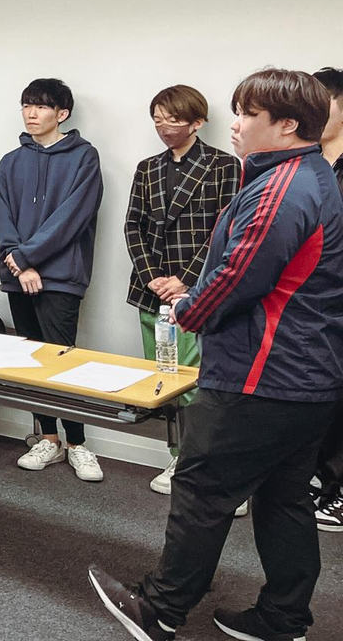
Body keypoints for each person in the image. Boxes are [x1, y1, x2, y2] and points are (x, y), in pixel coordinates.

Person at [89, 69, 343, 641]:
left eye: (249, 114)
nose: (236, 123)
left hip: (262, 377)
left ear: (287, 125)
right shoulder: (312, 175)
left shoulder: (283, 189)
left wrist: (187, 309)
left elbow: (237, 277)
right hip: (306, 378)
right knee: (284, 500)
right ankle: (283, 619)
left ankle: (159, 610)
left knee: (202, 490)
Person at [124, 85, 241, 494]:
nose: (163, 127)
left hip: (198, 290)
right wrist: (152, 276)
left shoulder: (224, 165)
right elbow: (132, 225)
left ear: (197, 122)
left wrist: (186, 280)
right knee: (162, 377)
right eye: (157, 119)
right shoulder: (147, 167)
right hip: (151, 289)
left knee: (196, 381)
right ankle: (177, 455)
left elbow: (225, 230)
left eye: (173, 119)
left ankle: (198, 460)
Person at [0, 77, 106, 482]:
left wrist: (28, 258)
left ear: (62, 113)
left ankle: (78, 444)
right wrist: (19, 265)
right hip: (18, 276)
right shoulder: (10, 162)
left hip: (60, 276)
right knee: (32, 361)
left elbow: (71, 218)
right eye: (26, 105)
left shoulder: (84, 158)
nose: (31, 113)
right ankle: (48, 439)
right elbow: (2, 218)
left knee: (61, 360)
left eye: (40, 106)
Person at [311, 66, 343, 532]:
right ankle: (321, 479)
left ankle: (338, 490)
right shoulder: (307, 164)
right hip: (312, 302)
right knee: (321, 394)